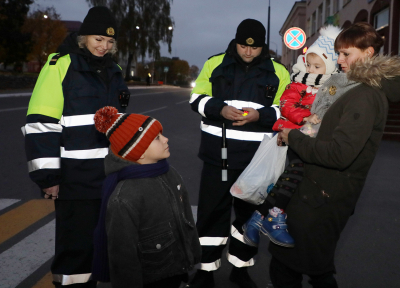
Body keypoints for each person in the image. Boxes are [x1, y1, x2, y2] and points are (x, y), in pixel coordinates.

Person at [269, 22, 400, 287]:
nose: (339, 60)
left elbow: (340, 154)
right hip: (317, 191)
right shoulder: (346, 86)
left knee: (299, 268)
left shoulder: (364, 95)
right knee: (307, 266)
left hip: (323, 196)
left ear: (368, 53)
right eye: (338, 53)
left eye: (346, 54)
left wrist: (293, 136)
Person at [23, 6, 129, 287]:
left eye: (109, 42)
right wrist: (48, 178)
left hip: (108, 177)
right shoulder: (60, 65)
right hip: (74, 178)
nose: (103, 46)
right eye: (98, 40)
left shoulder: (115, 70)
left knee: (99, 248)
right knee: (75, 250)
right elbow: (41, 125)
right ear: (83, 37)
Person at [188, 19, 290, 288]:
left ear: (262, 46)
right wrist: (219, 109)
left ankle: (240, 268)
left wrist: (261, 115)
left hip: (256, 161)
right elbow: (196, 98)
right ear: (236, 41)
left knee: (248, 217)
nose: (248, 51)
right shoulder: (214, 63)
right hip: (216, 155)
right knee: (211, 213)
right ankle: (205, 270)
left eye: (255, 47)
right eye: (244, 45)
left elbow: (286, 110)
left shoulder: (278, 71)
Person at [243, 26, 342, 248]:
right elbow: (286, 105)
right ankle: (275, 215)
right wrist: (306, 117)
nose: (311, 69)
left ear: (330, 67)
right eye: (309, 64)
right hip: (294, 134)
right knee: (295, 172)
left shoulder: (332, 87)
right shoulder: (299, 83)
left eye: (317, 66)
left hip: (312, 139)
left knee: (289, 176)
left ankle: (258, 217)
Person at [90, 106, 201, 288]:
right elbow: (123, 257)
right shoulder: (124, 197)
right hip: (152, 277)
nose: (166, 139)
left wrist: (193, 254)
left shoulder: (169, 173)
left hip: (177, 268)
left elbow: (185, 218)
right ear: (138, 151)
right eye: (157, 138)